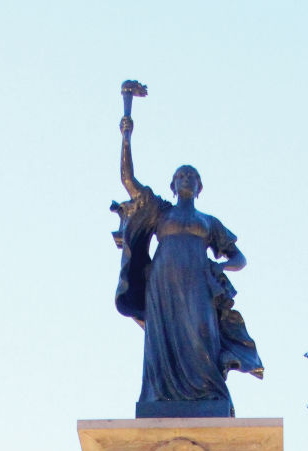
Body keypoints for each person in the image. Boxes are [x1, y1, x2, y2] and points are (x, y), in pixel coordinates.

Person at [112, 113, 263, 417]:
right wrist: (126, 137)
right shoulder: (161, 212)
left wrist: (221, 268)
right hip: (163, 285)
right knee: (162, 341)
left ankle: (208, 394)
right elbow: (128, 180)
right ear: (172, 184)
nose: (186, 180)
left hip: (197, 284)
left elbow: (238, 257)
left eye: (191, 177)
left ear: (199, 187)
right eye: (181, 176)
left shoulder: (207, 222)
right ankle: (161, 396)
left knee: (202, 337)